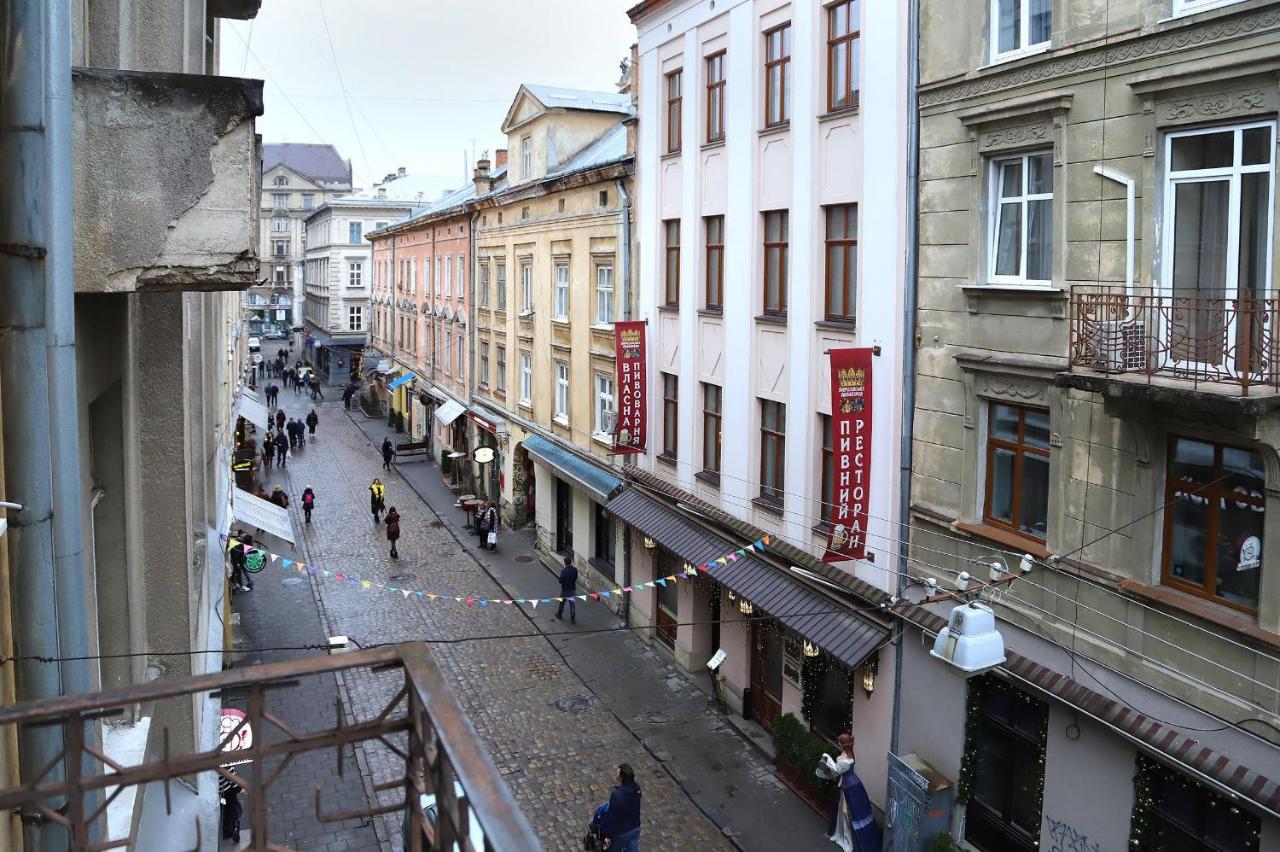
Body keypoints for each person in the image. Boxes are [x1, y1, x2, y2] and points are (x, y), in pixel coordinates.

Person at [821, 734, 881, 852]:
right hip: (856, 784)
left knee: (847, 812)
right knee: (858, 811)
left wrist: (826, 758)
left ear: (841, 744)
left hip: (849, 788)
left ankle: (851, 837)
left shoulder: (844, 761)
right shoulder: (851, 753)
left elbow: (835, 771)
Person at [599, 764, 641, 852]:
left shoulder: (617, 795)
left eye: (617, 772)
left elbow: (612, 817)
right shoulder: (637, 788)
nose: (616, 773)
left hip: (622, 833)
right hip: (636, 828)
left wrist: (608, 836)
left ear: (622, 777)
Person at [555, 556, 578, 623]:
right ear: (570, 562)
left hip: (565, 590)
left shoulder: (564, 571)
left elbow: (560, 581)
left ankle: (559, 615)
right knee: (572, 605)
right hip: (572, 589)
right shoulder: (575, 570)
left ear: (565, 563)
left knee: (562, 603)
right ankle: (572, 619)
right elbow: (576, 577)